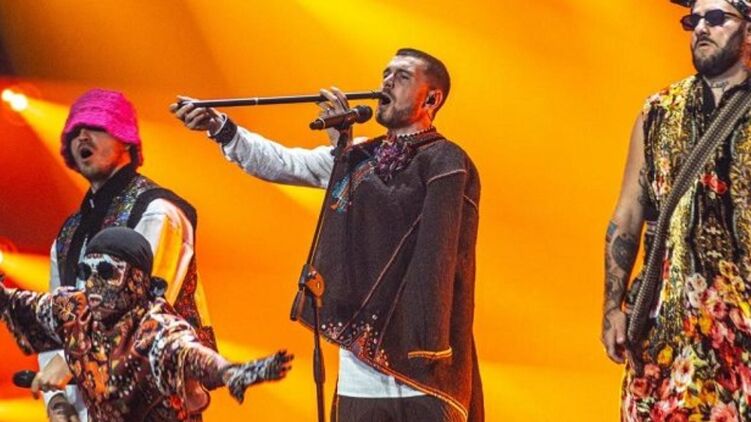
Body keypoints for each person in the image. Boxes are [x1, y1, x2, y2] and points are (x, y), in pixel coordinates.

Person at [171, 48, 484, 422]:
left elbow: (425, 242)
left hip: (423, 375)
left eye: (402, 77)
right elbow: (283, 163)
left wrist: (343, 150)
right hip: (359, 379)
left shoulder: (446, 160)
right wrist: (222, 128)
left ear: (431, 99)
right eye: (385, 73)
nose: (386, 82)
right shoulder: (359, 156)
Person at [601, 0, 751, 419]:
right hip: (663, 334)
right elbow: (627, 214)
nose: (701, 27)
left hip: (743, 340)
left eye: (716, 18)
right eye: (693, 19)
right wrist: (611, 308)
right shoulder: (658, 111)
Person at [38, 88, 216, 422]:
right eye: (74, 131)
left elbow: (143, 311)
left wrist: (69, 360)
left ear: (126, 140)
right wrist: (56, 399)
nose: (82, 136)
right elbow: (54, 320)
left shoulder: (157, 211)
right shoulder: (69, 233)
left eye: (95, 125)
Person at [0, 227, 293, 421]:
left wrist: (231, 373)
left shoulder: (155, 327)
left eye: (106, 272)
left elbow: (187, 352)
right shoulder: (75, 309)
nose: (93, 283)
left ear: (137, 280)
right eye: (86, 272)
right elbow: (16, 304)